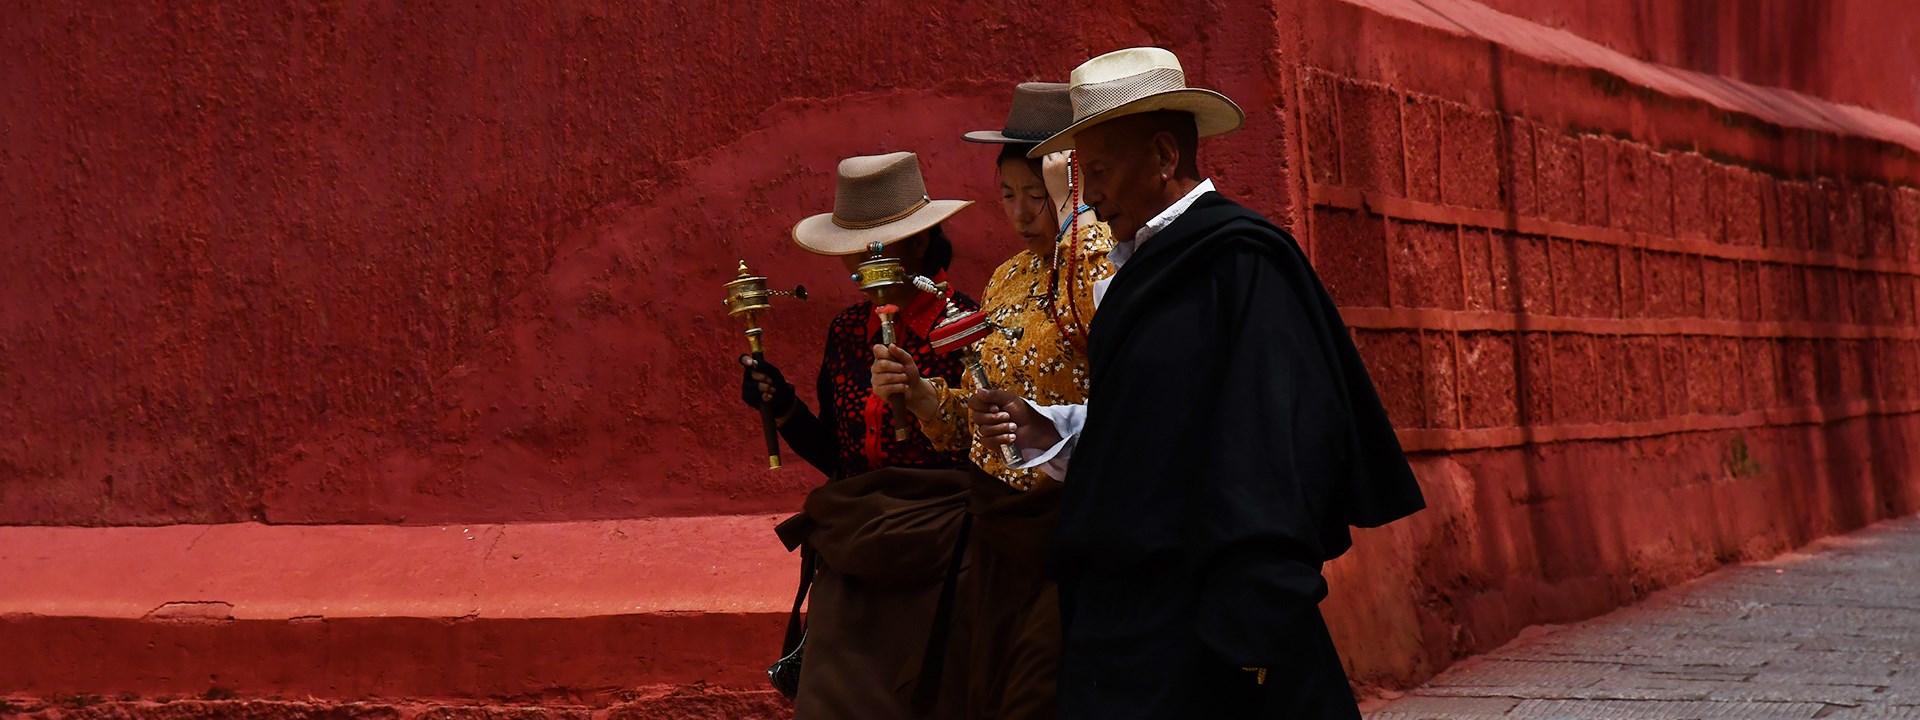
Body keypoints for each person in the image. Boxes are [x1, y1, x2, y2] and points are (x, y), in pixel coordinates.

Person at [968, 48, 1428, 719]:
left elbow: (1270, 447)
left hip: (1215, 619)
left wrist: (1256, 619)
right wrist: (1057, 429)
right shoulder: (1136, 272)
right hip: (1131, 617)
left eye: (1099, 169)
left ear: (1162, 155)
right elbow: (1150, 429)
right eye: (1081, 174)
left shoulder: (1240, 264)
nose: (1088, 195)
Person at [869, 82, 1113, 720]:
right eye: (1009, 195)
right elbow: (977, 416)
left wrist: (1074, 218)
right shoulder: (1007, 278)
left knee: (1043, 693)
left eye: (1039, 194)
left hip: (1080, 521)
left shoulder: (1107, 261)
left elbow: (1105, 329)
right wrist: (926, 397)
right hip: (1000, 526)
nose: (1022, 213)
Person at [743, 151, 981, 719]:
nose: (860, 264)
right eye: (855, 250)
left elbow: (988, 448)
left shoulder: (966, 324)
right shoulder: (847, 332)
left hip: (945, 562)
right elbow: (840, 457)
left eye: (879, 247)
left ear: (920, 245)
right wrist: (783, 409)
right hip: (855, 560)